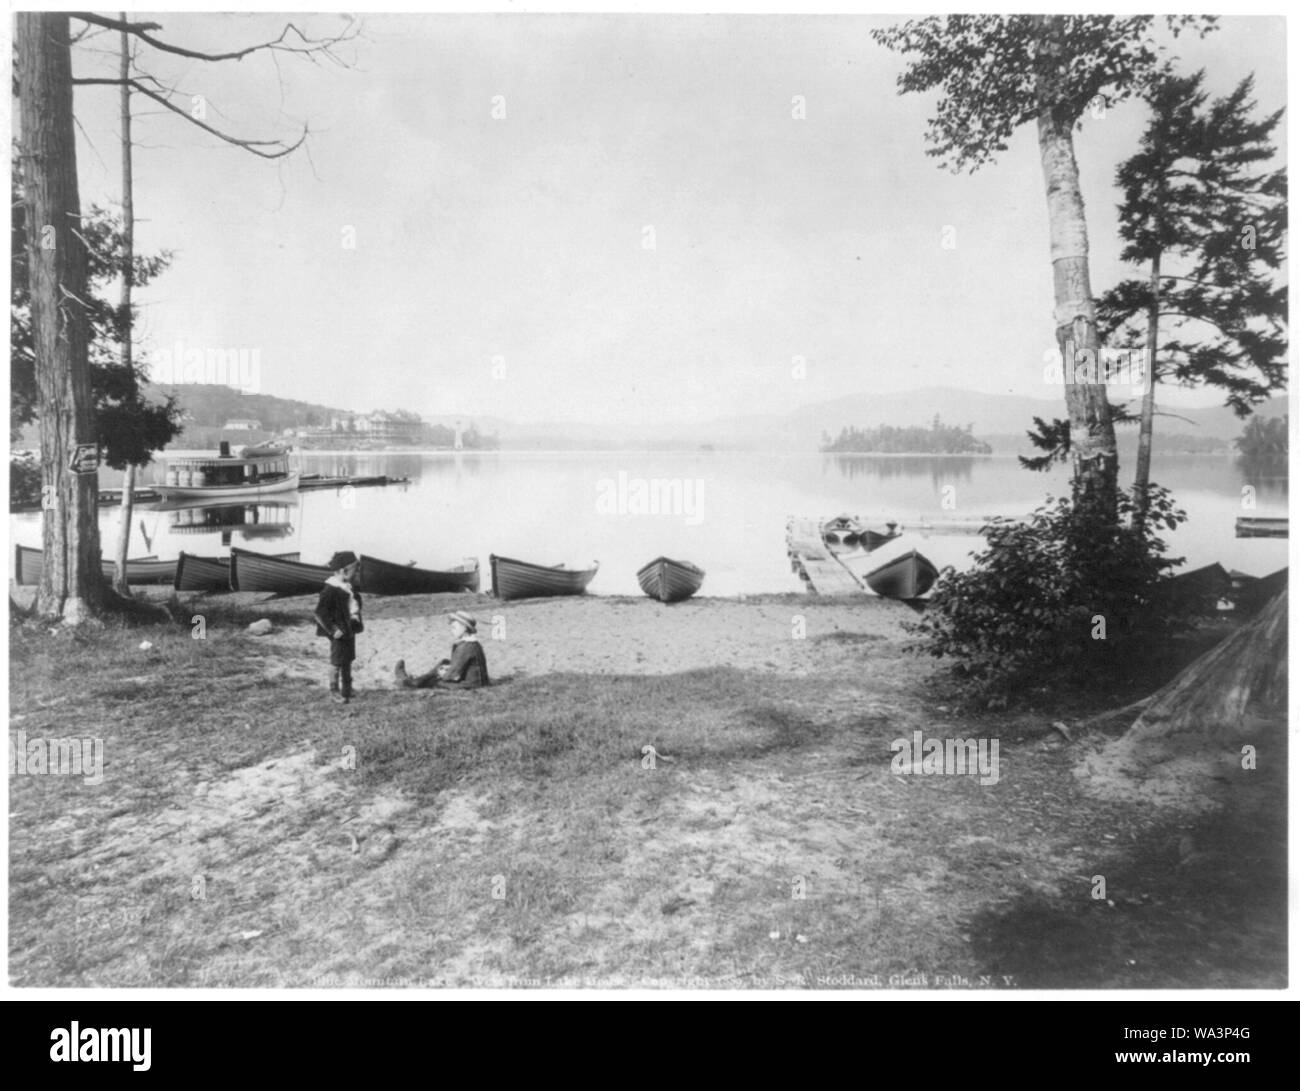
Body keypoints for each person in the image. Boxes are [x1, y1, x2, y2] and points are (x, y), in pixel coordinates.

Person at [314, 551, 364, 703]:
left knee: (348, 659)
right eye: (356, 570)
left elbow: (352, 604)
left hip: (349, 629)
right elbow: (319, 612)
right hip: (339, 632)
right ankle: (334, 691)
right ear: (344, 571)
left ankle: (347, 689)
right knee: (336, 662)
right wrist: (333, 629)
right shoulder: (330, 589)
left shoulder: (346, 586)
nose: (357, 574)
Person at [395, 610, 489, 690]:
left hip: (470, 686)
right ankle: (415, 681)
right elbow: (461, 665)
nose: (452, 630)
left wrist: (441, 673)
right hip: (477, 682)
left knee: (435, 681)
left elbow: (453, 676)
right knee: (445, 662)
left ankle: (410, 683)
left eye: (454, 627)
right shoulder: (472, 644)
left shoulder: (465, 647)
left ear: (464, 628)